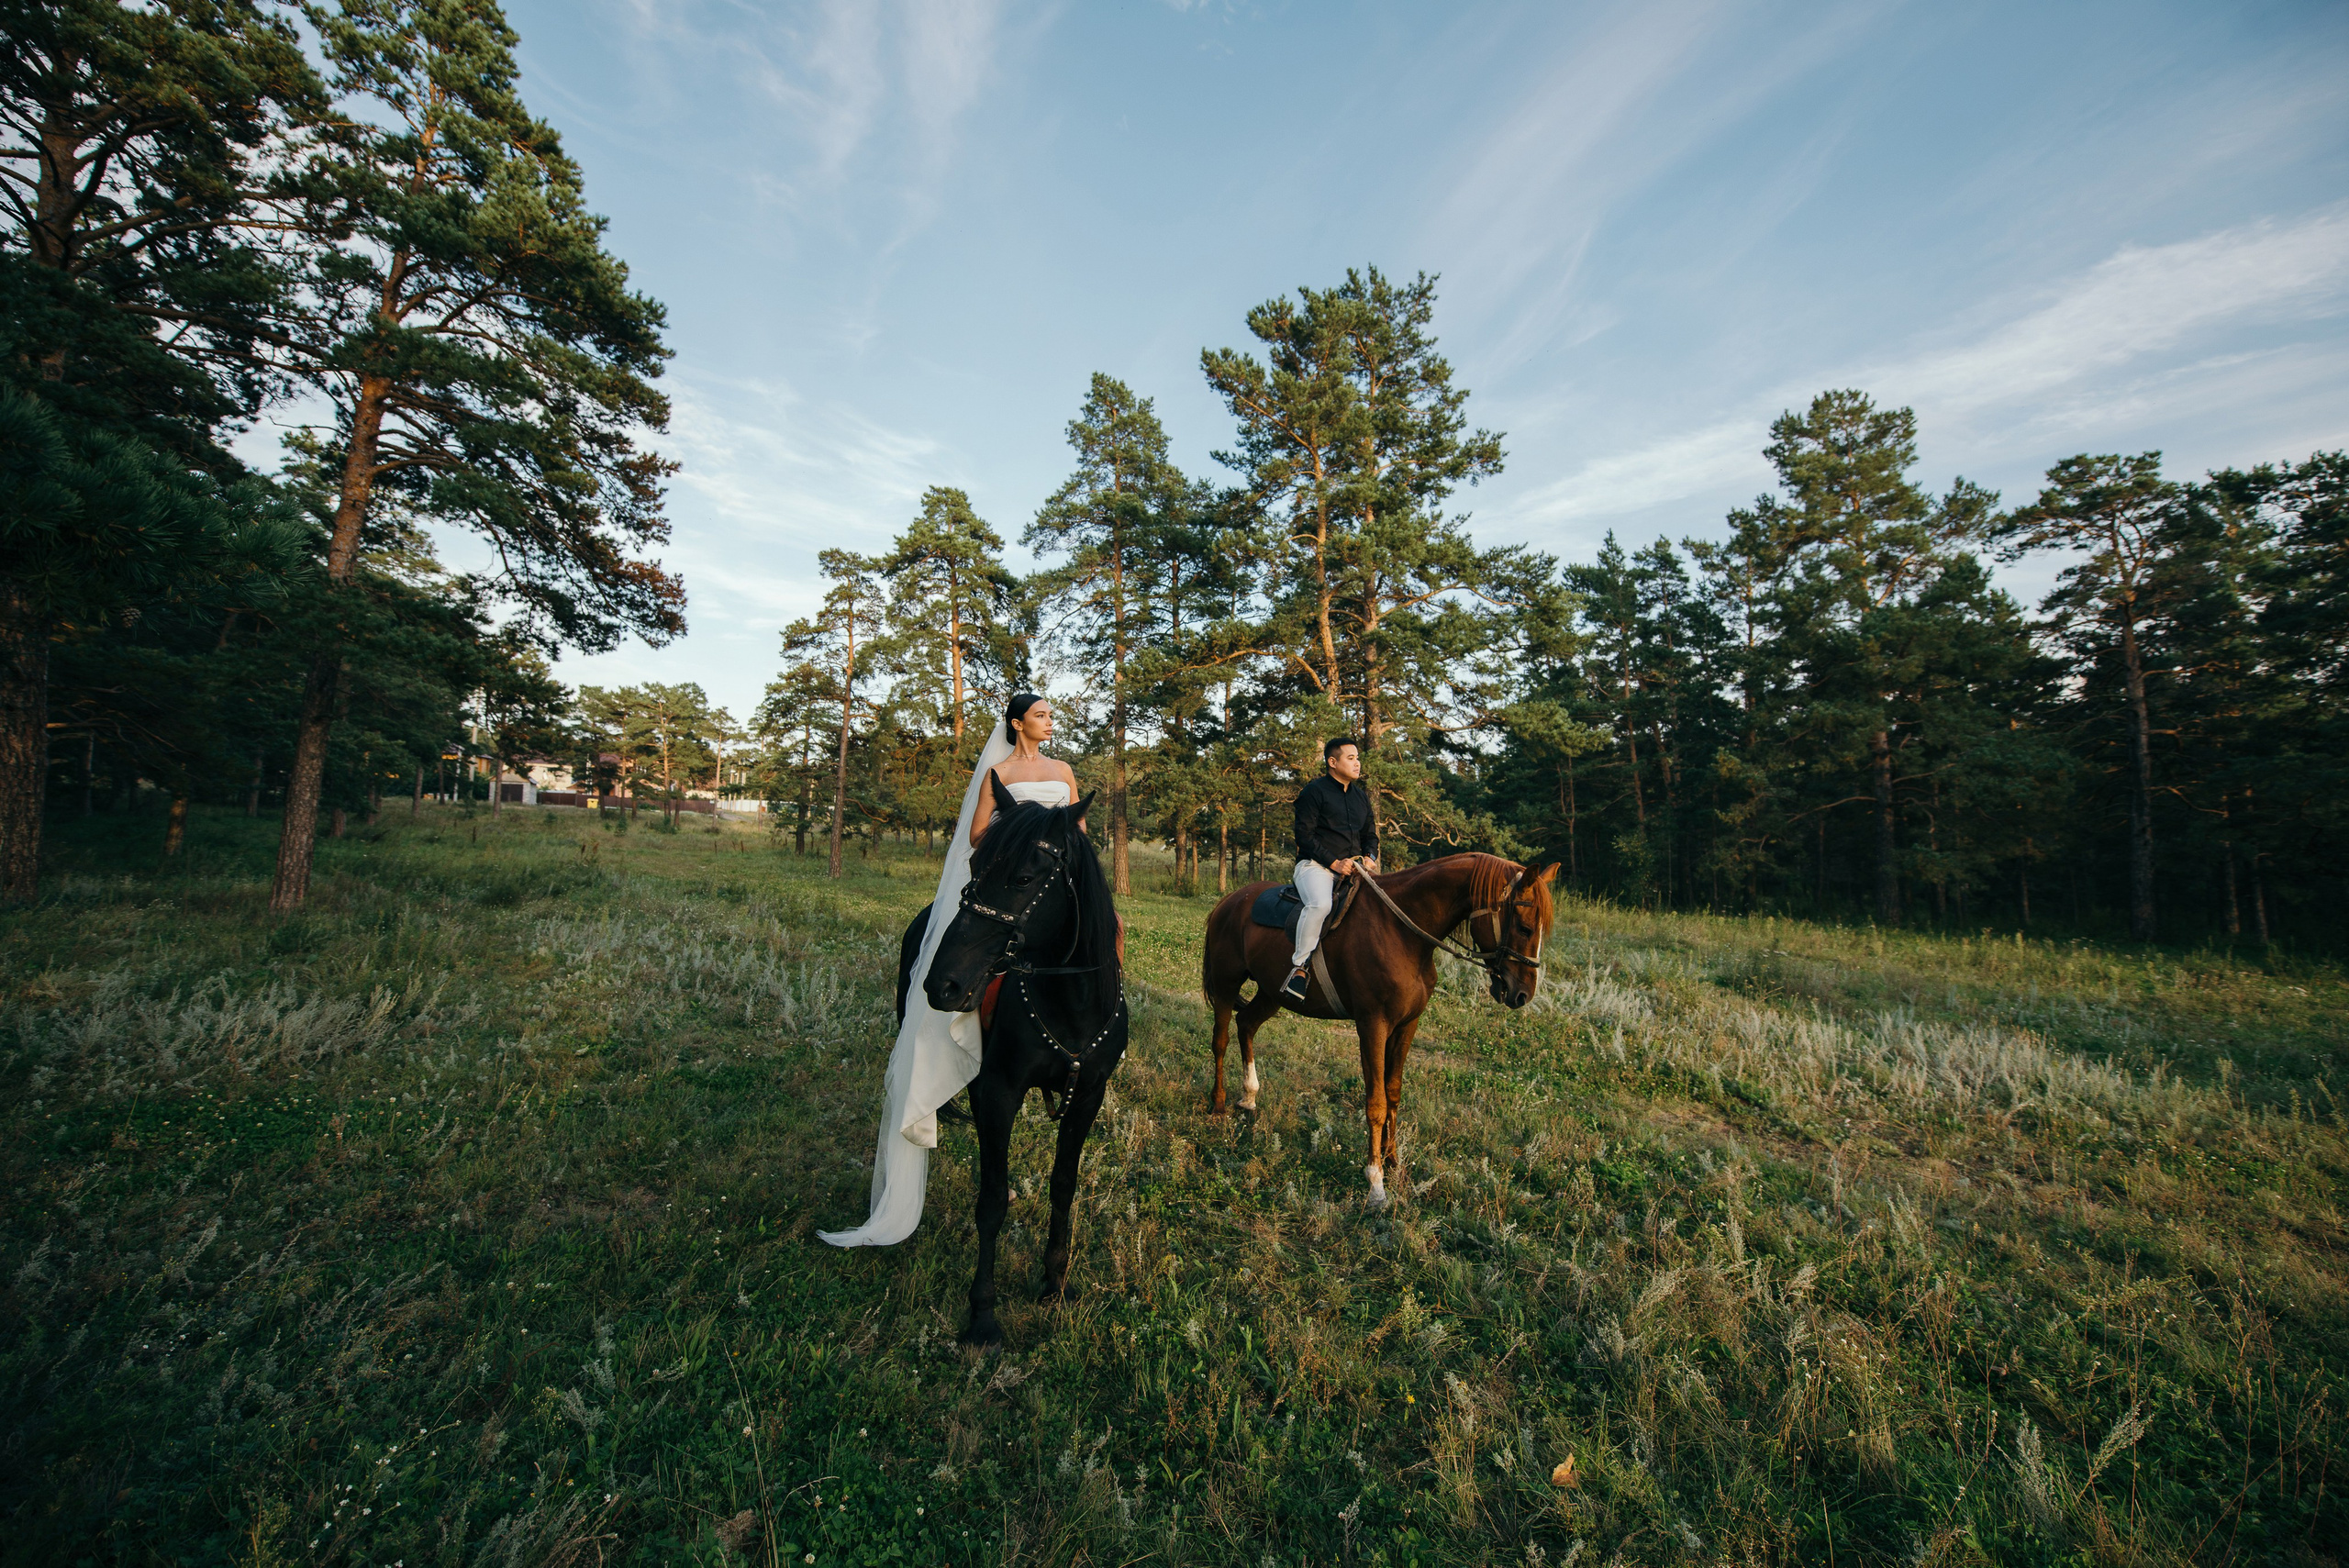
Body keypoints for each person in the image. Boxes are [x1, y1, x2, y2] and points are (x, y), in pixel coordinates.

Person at [818, 692, 1067, 1249]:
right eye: (1042, 715)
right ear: (1017, 723)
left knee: (1106, 931)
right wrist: (1021, 831)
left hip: (1053, 881)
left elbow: (1073, 828)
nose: (1050, 723)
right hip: (1012, 878)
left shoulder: (1064, 771)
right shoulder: (999, 773)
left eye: (1052, 716)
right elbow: (978, 835)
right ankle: (971, 1041)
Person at [1281, 737, 1378, 1001]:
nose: (1357, 763)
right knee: (1320, 905)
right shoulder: (1314, 792)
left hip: (1356, 868)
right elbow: (1304, 836)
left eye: (1358, 758)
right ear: (1332, 762)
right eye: (1351, 758)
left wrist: (1370, 857)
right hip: (1316, 867)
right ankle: (1299, 969)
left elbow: (1371, 835)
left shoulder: (1361, 798)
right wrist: (1335, 863)